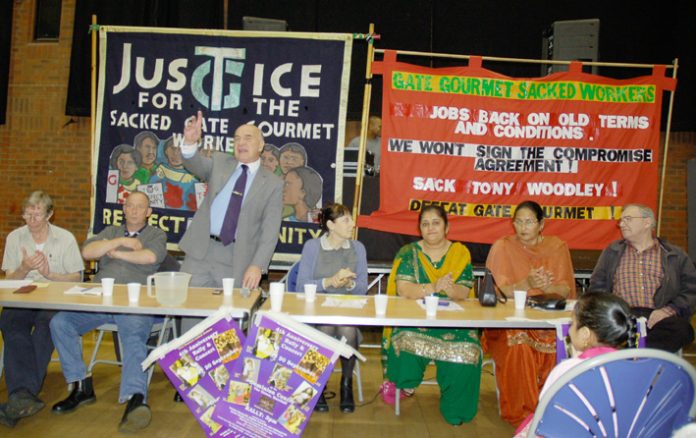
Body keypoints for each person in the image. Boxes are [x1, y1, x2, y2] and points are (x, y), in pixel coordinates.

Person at [49, 191, 167, 433]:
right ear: (124, 209)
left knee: (133, 337)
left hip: (135, 302)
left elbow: (150, 256)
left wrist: (116, 254)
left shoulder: (156, 234)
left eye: (139, 207)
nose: (133, 210)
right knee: (61, 322)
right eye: (129, 206)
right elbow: (87, 252)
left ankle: (135, 399)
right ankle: (81, 386)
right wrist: (117, 242)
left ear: (148, 212)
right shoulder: (111, 231)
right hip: (101, 299)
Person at [383, 205, 482, 426]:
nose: (430, 228)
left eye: (436, 222)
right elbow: (404, 290)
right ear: (419, 228)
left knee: (469, 350)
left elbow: (463, 292)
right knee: (404, 338)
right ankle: (406, 384)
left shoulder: (459, 252)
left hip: (453, 322)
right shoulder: (409, 252)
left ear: (447, 227)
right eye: (425, 223)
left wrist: (448, 289)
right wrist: (434, 286)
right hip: (415, 320)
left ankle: (457, 408)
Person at [484, 200, 576, 426]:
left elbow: (565, 289)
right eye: (518, 222)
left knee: (559, 345)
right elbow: (497, 292)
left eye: (529, 222)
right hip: (509, 322)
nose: (522, 227)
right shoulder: (503, 247)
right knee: (520, 345)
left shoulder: (556, 247)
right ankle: (526, 417)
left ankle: (551, 410)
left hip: (547, 319)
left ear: (541, 224)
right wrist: (526, 283)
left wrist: (546, 288)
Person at [0, 191, 83, 428]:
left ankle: (20, 394)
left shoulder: (65, 238)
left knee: (48, 327)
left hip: (54, 297)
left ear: (50, 215)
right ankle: (23, 396)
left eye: (37, 214)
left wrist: (50, 275)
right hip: (22, 297)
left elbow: (77, 278)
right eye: (28, 213)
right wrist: (24, 268)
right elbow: (7, 281)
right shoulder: (15, 237)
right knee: (11, 325)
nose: (32, 219)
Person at [177, 111, 283, 290]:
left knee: (227, 315)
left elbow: (270, 232)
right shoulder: (220, 162)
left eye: (248, 138)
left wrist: (257, 265)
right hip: (201, 251)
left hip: (237, 258)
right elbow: (194, 164)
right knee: (191, 311)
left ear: (261, 145)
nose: (241, 142)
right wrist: (189, 143)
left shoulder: (273, 184)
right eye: (237, 139)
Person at [513, 292, 638, 437]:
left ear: (585, 334)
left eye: (572, 323)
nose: (569, 329)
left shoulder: (568, 370)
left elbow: (545, 413)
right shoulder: (636, 372)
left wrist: (574, 360)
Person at [590, 203, 696, 352]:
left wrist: (668, 310)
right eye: (620, 220)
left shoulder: (675, 255)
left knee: (683, 330)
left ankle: (635, 354)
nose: (621, 224)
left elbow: (691, 290)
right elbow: (597, 288)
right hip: (623, 317)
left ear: (647, 222)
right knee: (603, 331)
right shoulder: (612, 252)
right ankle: (644, 359)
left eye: (627, 219)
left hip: (660, 317)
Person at [296, 203, 368, 413]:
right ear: (330, 224)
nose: (352, 224)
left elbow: (363, 288)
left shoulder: (358, 248)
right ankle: (319, 385)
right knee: (326, 326)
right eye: (346, 220)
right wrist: (328, 283)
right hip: (315, 312)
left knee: (346, 327)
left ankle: (346, 386)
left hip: (348, 312)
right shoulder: (312, 247)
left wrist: (349, 284)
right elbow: (301, 286)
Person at [149, 136, 200, 211]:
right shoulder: (158, 173)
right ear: (166, 150)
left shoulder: (194, 179)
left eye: (180, 149)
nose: (175, 153)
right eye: (173, 148)